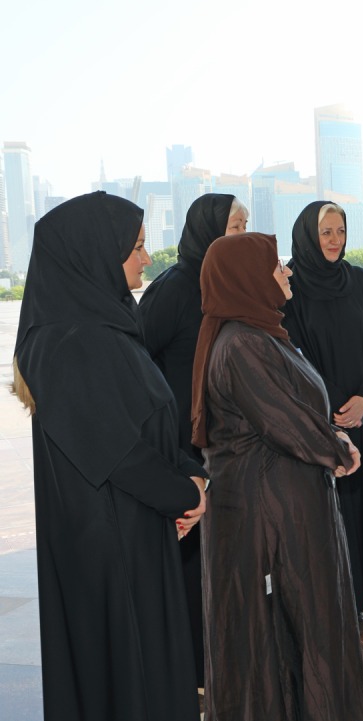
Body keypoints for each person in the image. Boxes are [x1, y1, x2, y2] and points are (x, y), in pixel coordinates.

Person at [14, 192, 208, 721]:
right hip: (109, 556)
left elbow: (150, 422)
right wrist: (184, 491)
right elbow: (119, 453)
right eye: (137, 245)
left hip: (133, 537)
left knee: (146, 691)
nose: (146, 258)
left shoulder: (106, 328)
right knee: (128, 689)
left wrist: (188, 478)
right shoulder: (69, 344)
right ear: (96, 254)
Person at [193, 232, 363, 721]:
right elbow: (282, 420)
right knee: (270, 622)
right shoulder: (243, 343)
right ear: (248, 277)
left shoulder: (259, 332)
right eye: (275, 267)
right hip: (263, 513)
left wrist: (330, 446)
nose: (287, 274)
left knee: (298, 617)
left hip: (281, 501)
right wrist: (337, 448)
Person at [139, 192, 248, 690]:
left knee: (225, 562)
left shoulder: (231, 285)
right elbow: (136, 361)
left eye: (246, 225)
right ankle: (193, 667)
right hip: (184, 450)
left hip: (229, 447)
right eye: (233, 226)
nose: (242, 235)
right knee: (190, 566)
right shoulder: (177, 287)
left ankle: (222, 657)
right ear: (207, 230)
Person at [282, 201, 363, 626]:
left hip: (360, 419)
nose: (334, 240)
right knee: (322, 512)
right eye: (326, 232)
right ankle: (328, 605)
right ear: (309, 234)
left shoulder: (359, 280)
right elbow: (291, 355)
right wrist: (324, 413)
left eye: (340, 231)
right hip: (317, 423)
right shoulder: (291, 286)